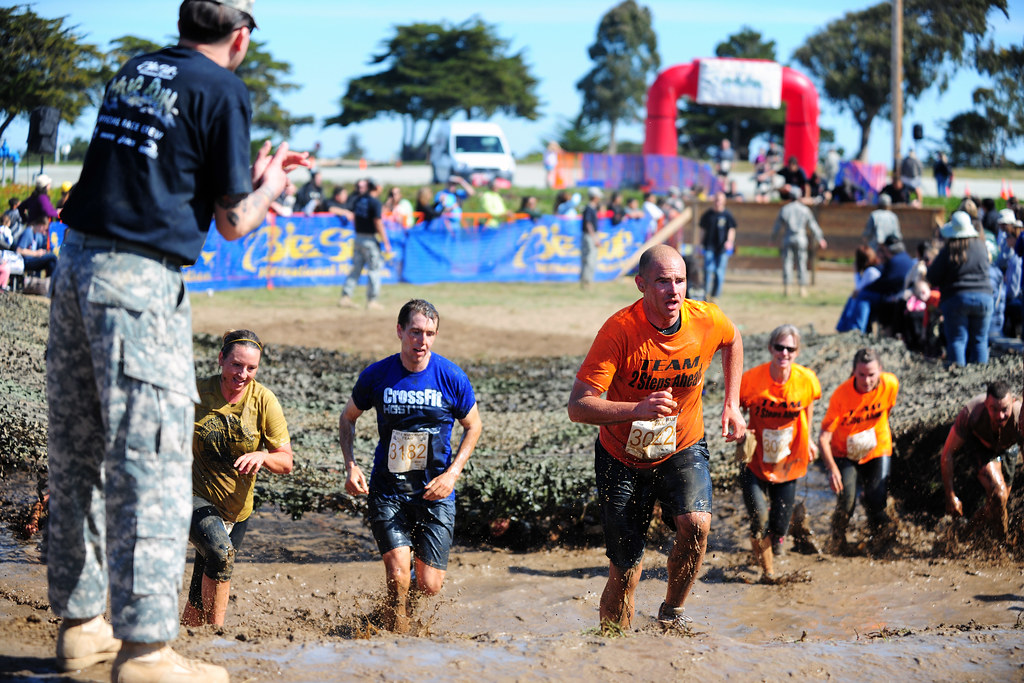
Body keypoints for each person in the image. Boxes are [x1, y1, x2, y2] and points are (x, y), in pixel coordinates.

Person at [46, 1, 308, 680]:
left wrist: (245, 181)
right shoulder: (223, 87)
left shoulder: (137, 70)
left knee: (81, 450)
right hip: (137, 280)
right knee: (155, 460)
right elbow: (230, 222)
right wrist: (273, 183)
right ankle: (147, 650)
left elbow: (166, 177)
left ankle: (83, 628)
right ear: (240, 37)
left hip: (74, 263)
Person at [567, 244, 745, 630]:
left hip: (682, 445)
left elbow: (733, 340)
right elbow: (578, 406)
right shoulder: (619, 331)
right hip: (622, 457)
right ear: (641, 285)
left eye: (680, 280)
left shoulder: (705, 319)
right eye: (663, 281)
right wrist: (636, 409)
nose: (674, 291)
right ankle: (612, 651)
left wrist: (731, 402)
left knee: (697, 524)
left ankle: (672, 613)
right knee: (626, 571)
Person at [339, 299, 482, 633]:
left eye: (430, 333)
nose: (423, 341)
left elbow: (473, 426)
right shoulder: (377, 375)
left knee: (429, 585)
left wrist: (452, 473)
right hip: (388, 490)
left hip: (436, 492)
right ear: (400, 331)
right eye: (416, 332)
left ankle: (407, 597)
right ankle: (395, 637)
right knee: (397, 575)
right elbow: (348, 419)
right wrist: (351, 466)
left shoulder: (451, 377)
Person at [181, 330, 293, 627]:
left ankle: (187, 636)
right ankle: (218, 637)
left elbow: (286, 461)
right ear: (221, 359)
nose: (243, 374)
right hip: (191, 496)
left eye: (251, 368)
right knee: (222, 554)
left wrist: (263, 457)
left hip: (236, 510)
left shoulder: (264, 400)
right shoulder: (196, 392)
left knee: (206, 579)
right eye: (236, 365)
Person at [738, 324, 821, 582]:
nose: (784, 353)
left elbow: (807, 408)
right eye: (779, 347)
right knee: (760, 517)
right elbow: (734, 406)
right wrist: (739, 427)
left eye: (790, 348)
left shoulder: (806, 379)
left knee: (780, 524)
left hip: (789, 459)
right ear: (770, 348)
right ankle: (768, 572)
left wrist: (809, 440)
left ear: (797, 352)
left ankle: (771, 544)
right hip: (755, 459)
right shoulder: (752, 379)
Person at [818, 348, 900, 555]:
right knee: (847, 500)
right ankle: (837, 543)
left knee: (877, 497)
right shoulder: (841, 396)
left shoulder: (890, 383)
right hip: (844, 452)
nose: (867, 380)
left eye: (872, 374)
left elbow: (887, 411)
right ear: (853, 371)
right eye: (861, 374)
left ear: (880, 370)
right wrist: (832, 469)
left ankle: (880, 540)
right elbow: (823, 437)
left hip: (877, 446)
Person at [940, 381, 1022, 543]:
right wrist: (950, 496)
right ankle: (1003, 544)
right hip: (982, 448)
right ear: (986, 404)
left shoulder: (1021, 416)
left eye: (1005, 409)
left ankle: (964, 535)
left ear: (1012, 401)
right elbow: (947, 454)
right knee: (998, 494)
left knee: (998, 503)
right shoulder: (971, 413)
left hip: (1009, 448)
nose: (1000, 416)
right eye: (994, 409)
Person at [927, 211, 994, 366]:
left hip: (956, 298)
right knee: (980, 341)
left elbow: (932, 276)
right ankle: (981, 381)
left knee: (957, 340)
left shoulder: (949, 249)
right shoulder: (981, 246)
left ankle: (960, 382)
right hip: (984, 297)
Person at [340, 179, 391, 310]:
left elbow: (355, 218)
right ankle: (372, 300)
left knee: (356, 268)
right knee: (374, 270)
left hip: (358, 238)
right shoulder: (375, 202)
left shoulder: (359, 200)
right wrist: (386, 242)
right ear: (377, 188)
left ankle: (346, 296)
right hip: (370, 240)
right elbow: (378, 223)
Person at [771, 188, 828, 297]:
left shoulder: (785, 209)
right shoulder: (804, 210)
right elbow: (813, 225)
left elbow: (777, 227)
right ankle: (802, 289)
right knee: (802, 263)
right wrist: (820, 238)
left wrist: (772, 239)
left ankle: (787, 288)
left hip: (788, 237)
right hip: (801, 238)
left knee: (787, 263)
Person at [699, 191, 737, 301]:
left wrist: (729, 241)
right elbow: (702, 230)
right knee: (707, 269)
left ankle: (715, 295)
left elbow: (731, 229)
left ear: (724, 201)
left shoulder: (727, 215)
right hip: (709, 246)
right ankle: (705, 294)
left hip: (722, 248)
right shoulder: (707, 215)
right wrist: (700, 243)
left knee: (719, 271)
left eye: (720, 200)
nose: (718, 202)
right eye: (716, 200)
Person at [15, 213, 58, 278]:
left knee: (51, 263)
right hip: (26, 261)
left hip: (33, 259)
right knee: (53, 256)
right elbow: (19, 250)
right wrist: (36, 253)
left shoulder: (36, 235)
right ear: (40, 225)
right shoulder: (28, 232)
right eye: (44, 229)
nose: (44, 232)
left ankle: (49, 284)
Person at [580, 187, 602, 289]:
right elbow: (588, 223)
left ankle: (587, 281)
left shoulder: (592, 208)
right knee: (589, 259)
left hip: (590, 235)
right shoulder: (589, 208)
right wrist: (594, 238)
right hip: (590, 236)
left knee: (590, 258)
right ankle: (587, 281)